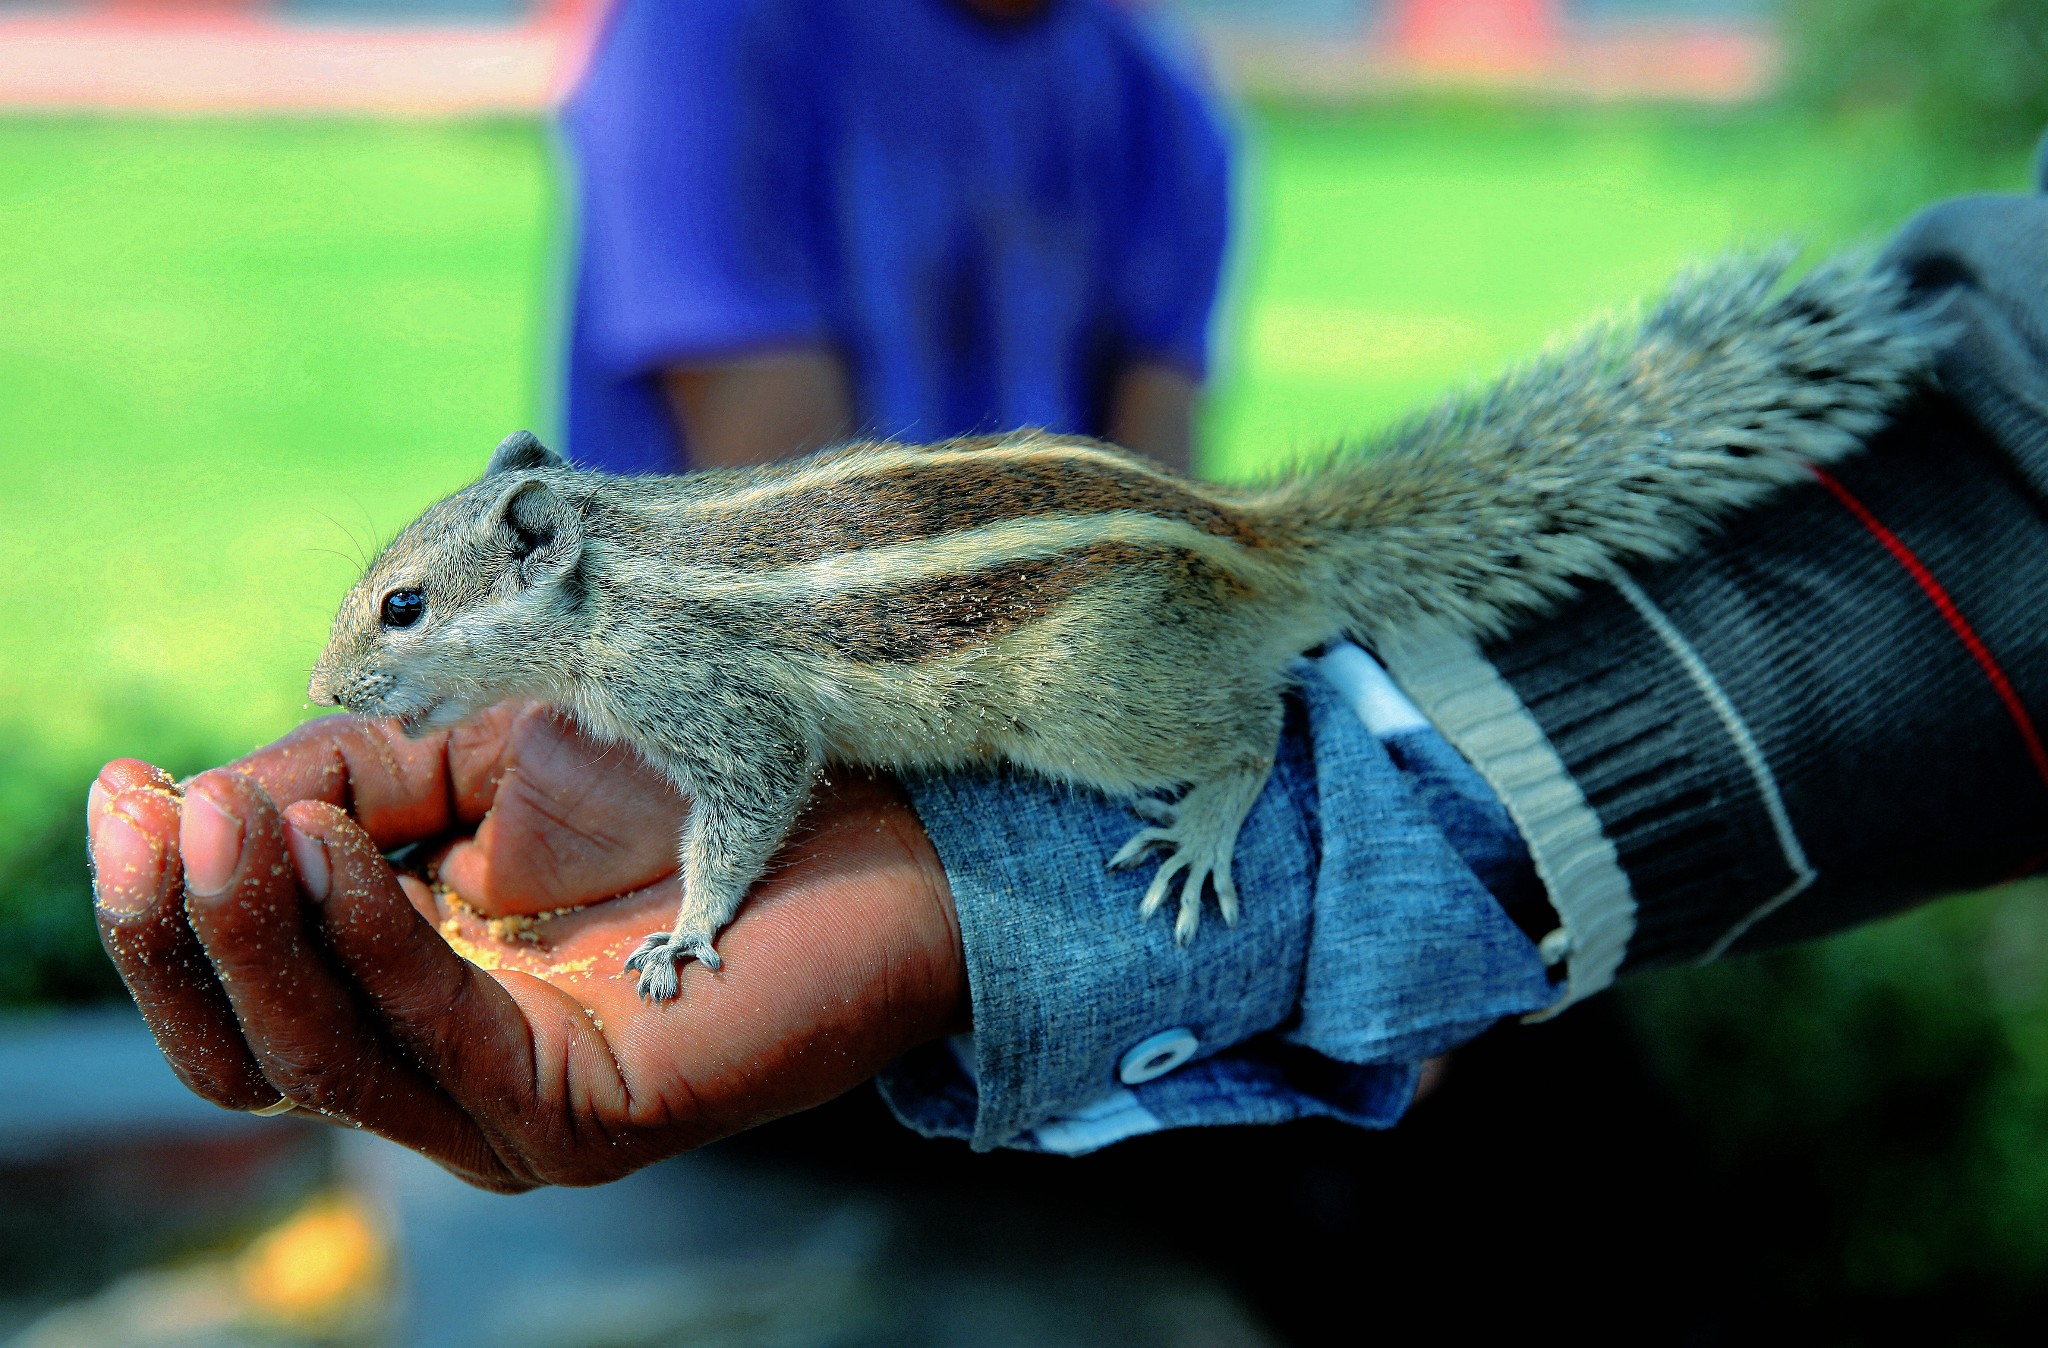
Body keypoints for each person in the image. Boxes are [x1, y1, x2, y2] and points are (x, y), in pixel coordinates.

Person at [87, 162, 2048, 1183]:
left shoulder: (646, 634)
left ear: (543, 556)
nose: (369, 665)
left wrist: (693, 922)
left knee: (1086, 708)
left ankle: (1217, 766)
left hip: (1108, 627)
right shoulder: (615, 609)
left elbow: (752, 780)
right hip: (1084, 547)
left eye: (409, 624)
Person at [559, 0, 1231, 476]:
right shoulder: (714, 29)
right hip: (709, 665)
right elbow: (790, 529)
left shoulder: (1159, 103)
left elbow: (1157, 522)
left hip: (1035, 653)